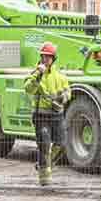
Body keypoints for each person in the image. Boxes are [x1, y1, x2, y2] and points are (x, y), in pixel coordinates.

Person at [24, 42, 71, 186]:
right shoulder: (35, 74)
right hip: (41, 115)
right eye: (43, 56)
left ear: (53, 58)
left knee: (61, 144)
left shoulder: (60, 76)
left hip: (57, 115)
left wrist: (63, 97)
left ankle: (43, 164)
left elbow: (68, 91)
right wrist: (37, 75)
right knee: (44, 144)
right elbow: (28, 89)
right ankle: (44, 178)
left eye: (48, 57)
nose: (45, 59)